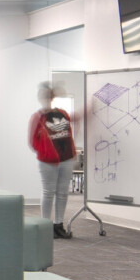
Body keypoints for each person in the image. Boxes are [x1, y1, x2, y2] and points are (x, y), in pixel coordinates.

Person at [29, 82, 78, 238]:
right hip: (47, 161)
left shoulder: (62, 113)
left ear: (52, 97)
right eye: (43, 96)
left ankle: (58, 225)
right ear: (40, 98)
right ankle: (45, 225)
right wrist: (46, 152)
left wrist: (71, 152)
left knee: (63, 192)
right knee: (48, 192)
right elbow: (32, 141)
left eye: (49, 95)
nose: (46, 98)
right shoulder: (37, 117)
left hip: (66, 158)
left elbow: (68, 131)